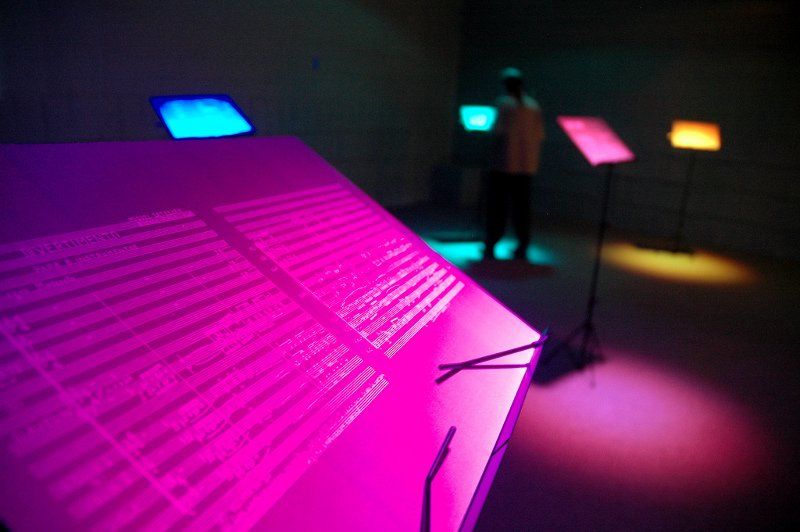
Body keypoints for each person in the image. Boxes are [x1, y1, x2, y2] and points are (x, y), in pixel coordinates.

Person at [484, 67, 545, 260]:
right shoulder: (533, 106)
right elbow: (540, 135)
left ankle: (491, 244)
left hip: (503, 165)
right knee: (522, 208)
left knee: (497, 207)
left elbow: (497, 132)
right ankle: (522, 245)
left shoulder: (503, 103)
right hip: (526, 167)